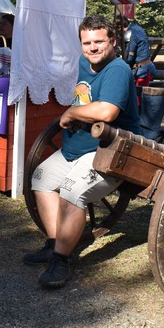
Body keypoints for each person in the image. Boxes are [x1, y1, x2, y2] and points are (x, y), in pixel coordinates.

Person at [24, 15, 140, 289]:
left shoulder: (118, 69)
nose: (93, 47)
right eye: (87, 43)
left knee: (72, 191)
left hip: (108, 152)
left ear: (113, 41)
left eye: (99, 41)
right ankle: (55, 243)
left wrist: (72, 112)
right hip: (76, 148)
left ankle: (61, 260)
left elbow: (107, 111)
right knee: (40, 179)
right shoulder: (83, 62)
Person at [117, 16, 157, 87]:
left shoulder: (132, 33)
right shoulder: (136, 28)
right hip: (145, 65)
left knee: (136, 91)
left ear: (120, 27)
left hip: (141, 69)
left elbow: (130, 56)